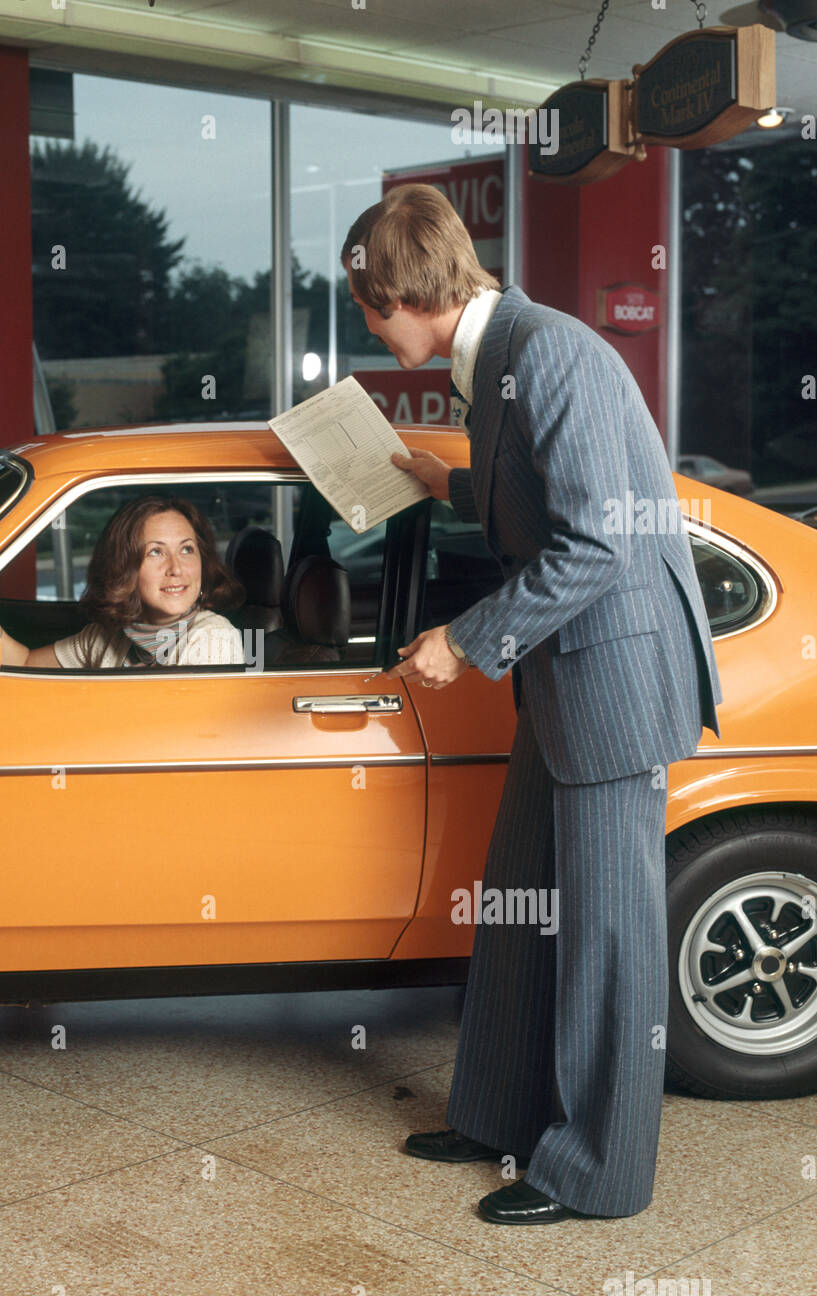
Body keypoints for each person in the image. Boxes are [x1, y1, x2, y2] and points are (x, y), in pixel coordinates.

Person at [341, 183, 722, 1224]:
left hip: (611, 679)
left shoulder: (545, 350)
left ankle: (595, 1173)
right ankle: (498, 1115)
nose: (366, 325)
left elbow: (595, 539)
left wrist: (465, 643)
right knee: (516, 906)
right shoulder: (500, 352)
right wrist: (442, 481)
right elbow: (542, 487)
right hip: (568, 674)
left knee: (602, 939)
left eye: (366, 307)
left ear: (397, 291)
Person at [0, 494, 246, 668]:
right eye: (156, 552)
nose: (176, 568)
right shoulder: (112, 636)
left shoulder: (212, 639)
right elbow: (24, 662)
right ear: (125, 567)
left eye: (187, 549)